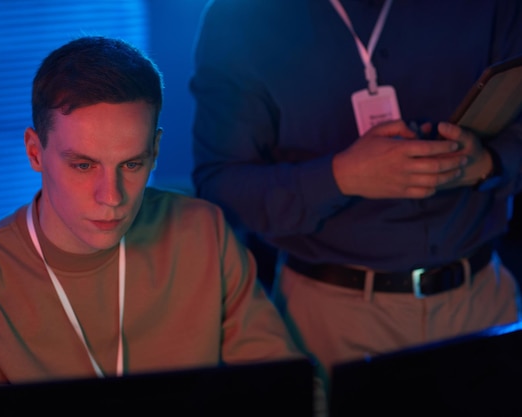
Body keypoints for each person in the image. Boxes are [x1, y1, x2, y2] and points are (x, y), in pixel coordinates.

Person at [0, 36, 305, 389]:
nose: (111, 197)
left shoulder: (202, 232)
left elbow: (283, 392)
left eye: (132, 164)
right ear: (35, 151)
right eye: (83, 165)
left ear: (154, 150)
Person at [190, 0, 522, 374]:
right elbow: (220, 189)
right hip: (332, 317)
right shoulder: (242, 19)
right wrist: (340, 177)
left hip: (484, 300)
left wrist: (488, 163)